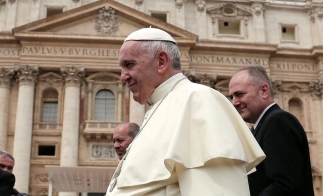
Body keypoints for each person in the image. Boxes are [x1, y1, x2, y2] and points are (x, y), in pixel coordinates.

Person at [105, 27, 265, 195]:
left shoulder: (198, 100)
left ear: (161, 61)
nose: (123, 76)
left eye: (129, 65)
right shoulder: (158, 108)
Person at [228, 65, 314, 196]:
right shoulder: (260, 127)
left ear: (264, 91)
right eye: (232, 97)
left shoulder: (277, 121)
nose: (234, 102)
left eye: (239, 94)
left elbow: (284, 185)